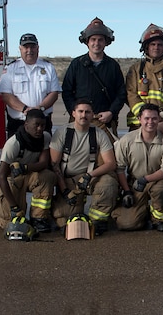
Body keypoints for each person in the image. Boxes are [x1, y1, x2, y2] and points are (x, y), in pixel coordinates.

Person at [49, 98, 119, 235]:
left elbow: (110, 163)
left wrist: (89, 175)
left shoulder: (99, 133)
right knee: (62, 218)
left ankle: (98, 221)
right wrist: (64, 191)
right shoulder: (62, 133)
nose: (83, 115)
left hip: (89, 177)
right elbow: (54, 166)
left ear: (92, 114)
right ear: (73, 113)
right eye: (80, 111)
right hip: (68, 180)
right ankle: (73, 207)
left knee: (108, 183)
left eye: (87, 112)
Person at [113, 104, 163, 232]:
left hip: (161, 180)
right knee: (127, 224)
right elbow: (119, 168)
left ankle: (159, 219)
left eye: (154, 119)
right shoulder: (127, 140)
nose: (150, 122)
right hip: (136, 183)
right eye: (147, 118)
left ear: (159, 120)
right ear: (139, 119)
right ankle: (142, 212)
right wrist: (127, 191)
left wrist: (145, 179)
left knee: (161, 189)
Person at [0, 109, 56, 231]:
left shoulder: (45, 137)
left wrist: (25, 167)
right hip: (8, 176)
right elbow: (2, 175)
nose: (40, 129)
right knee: (10, 222)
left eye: (43, 125)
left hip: (27, 173)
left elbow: (43, 164)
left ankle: (38, 218)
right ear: (26, 125)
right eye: (36, 125)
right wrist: (14, 207)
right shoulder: (13, 144)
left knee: (47, 176)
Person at [62, 17, 126, 141]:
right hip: (79, 121)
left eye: (100, 40)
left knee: (108, 157)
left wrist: (111, 112)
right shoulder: (76, 64)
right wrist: (75, 112)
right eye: (93, 39)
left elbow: (121, 93)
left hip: (105, 122)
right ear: (87, 42)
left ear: (106, 42)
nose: (96, 43)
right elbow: (67, 91)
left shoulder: (113, 66)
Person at [0, 33, 61, 137]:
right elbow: (6, 95)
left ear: (37, 48)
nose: (29, 50)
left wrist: (40, 108)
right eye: (26, 47)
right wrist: (25, 109)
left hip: (42, 121)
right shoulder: (10, 69)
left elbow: (54, 93)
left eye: (32, 47)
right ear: (20, 48)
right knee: (17, 153)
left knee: (44, 152)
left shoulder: (49, 67)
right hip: (18, 123)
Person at [125, 24, 163, 129]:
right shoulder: (135, 70)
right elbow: (130, 95)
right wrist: (145, 116)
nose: (156, 47)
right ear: (146, 47)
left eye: (159, 44)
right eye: (152, 44)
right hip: (139, 125)